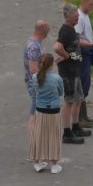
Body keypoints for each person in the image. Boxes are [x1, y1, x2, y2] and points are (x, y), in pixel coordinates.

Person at [26, 27, 65, 173]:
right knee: (54, 136)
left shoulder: (35, 77)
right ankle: (54, 164)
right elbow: (60, 92)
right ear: (51, 65)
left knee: (39, 136)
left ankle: (37, 162)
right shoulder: (57, 78)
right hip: (53, 110)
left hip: (40, 110)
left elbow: (34, 92)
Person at [57, 5, 91, 144]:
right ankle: (66, 133)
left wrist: (91, 45)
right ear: (68, 16)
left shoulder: (72, 29)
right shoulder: (65, 30)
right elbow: (57, 47)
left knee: (78, 98)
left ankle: (75, 127)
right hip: (68, 71)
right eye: (75, 16)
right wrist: (66, 56)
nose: (77, 17)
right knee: (69, 101)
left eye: (77, 15)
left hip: (75, 69)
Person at [72, 0, 93, 125]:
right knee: (83, 84)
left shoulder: (85, 15)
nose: (92, 6)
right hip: (83, 53)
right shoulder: (79, 17)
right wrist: (92, 45)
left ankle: (84, 116)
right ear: (83, 1)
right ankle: (79, 118)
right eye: (91, 4)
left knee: (86, 83)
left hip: (88, 53)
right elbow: (76, 39)